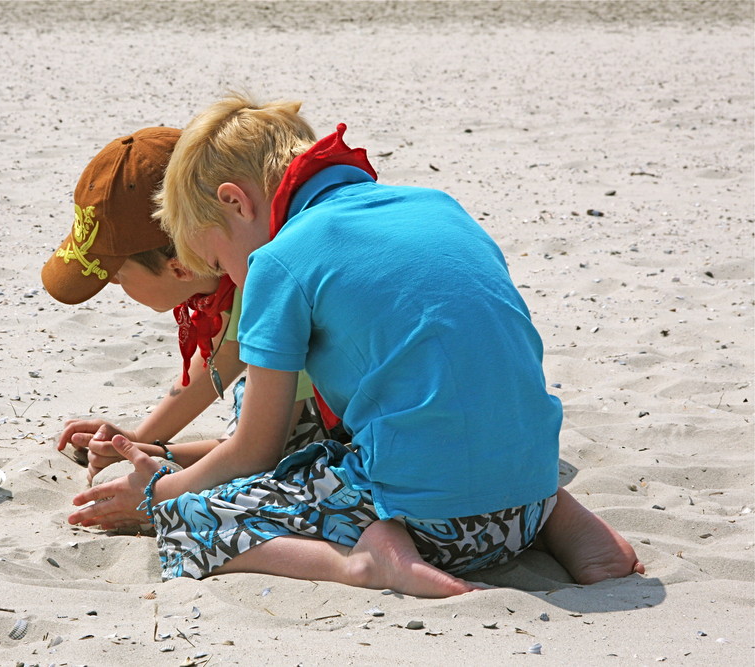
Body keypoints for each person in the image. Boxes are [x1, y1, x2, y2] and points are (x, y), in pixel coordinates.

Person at [66, 96, 644, 597]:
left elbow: (254, 453)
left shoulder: (277, 263)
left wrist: (156, 493)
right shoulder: (438, 205)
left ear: (236, 202)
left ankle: (365, 563)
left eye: (218, 261)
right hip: (530, 495)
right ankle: (570, 526)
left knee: (189, 523)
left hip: (433, 527)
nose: (232, 281)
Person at [41, 127, 337, 483]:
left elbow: (267, 449)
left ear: (178, 268)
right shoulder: (241, 256)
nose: (115, 286)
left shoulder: (272, 282)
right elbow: (227, 352)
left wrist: (160, 458)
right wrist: (139, 438)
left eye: (115, 275)